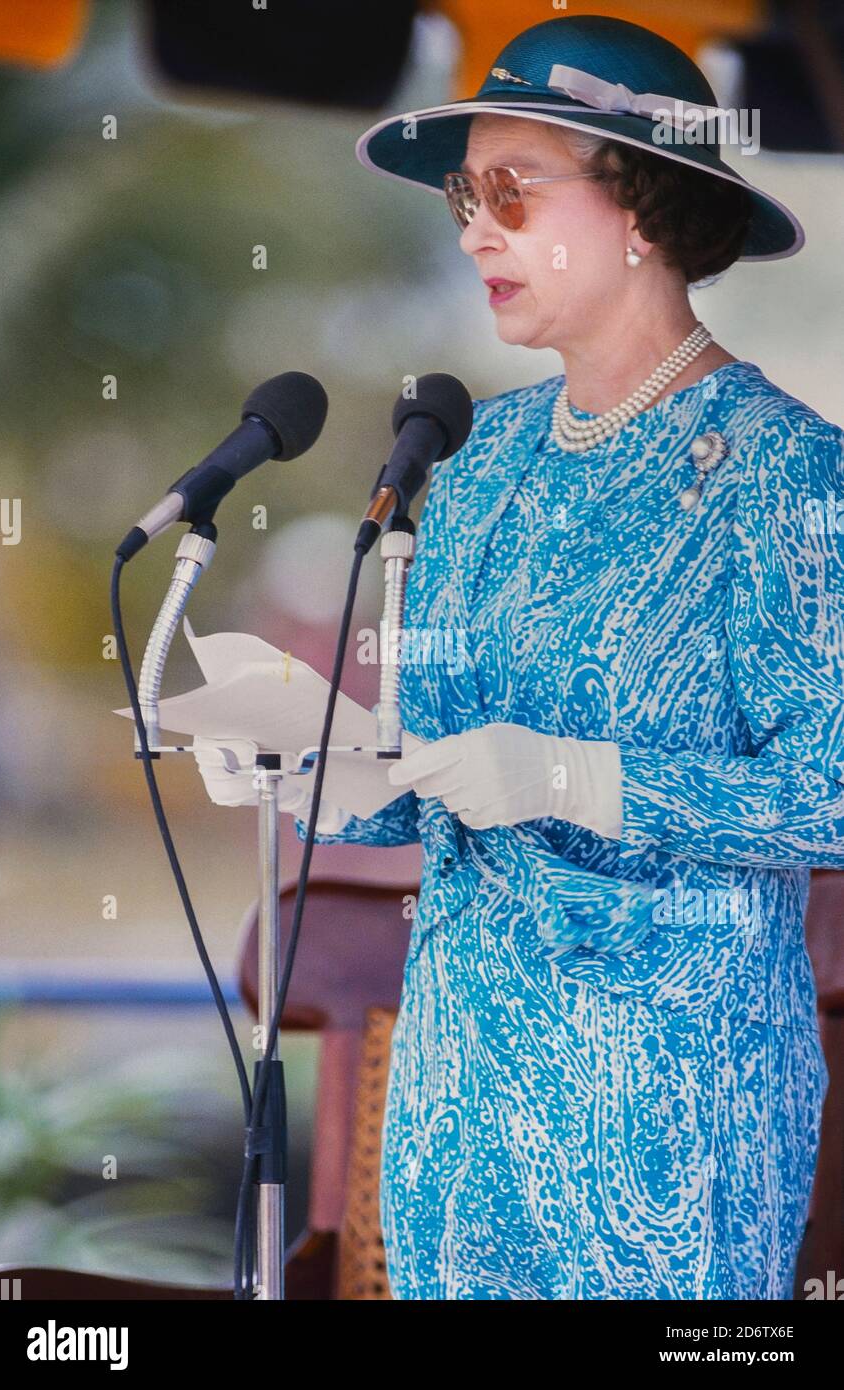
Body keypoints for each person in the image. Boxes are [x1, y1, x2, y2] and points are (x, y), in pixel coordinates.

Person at [194, 15, 844, 1299]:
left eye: (512, 191)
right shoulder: (475, 459)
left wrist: (567, 775)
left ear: (642, 205)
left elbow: (830, 785)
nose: (473, 231)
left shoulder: (790, 470)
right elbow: (437, 769)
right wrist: (324, 775)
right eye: (462, 195)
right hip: (457, 1086)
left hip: (673, 1104)